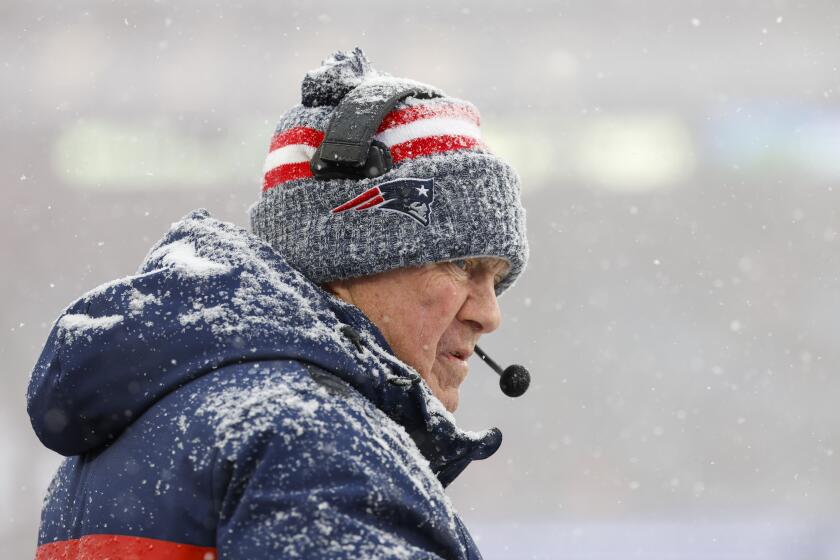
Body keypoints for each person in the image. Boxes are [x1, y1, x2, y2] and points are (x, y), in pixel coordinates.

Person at [27, 48, 528, 559]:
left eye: (497, 278)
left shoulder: (132, 431)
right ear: (348, 252)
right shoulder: (314, 440)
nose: (489, 314)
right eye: (462, 266)